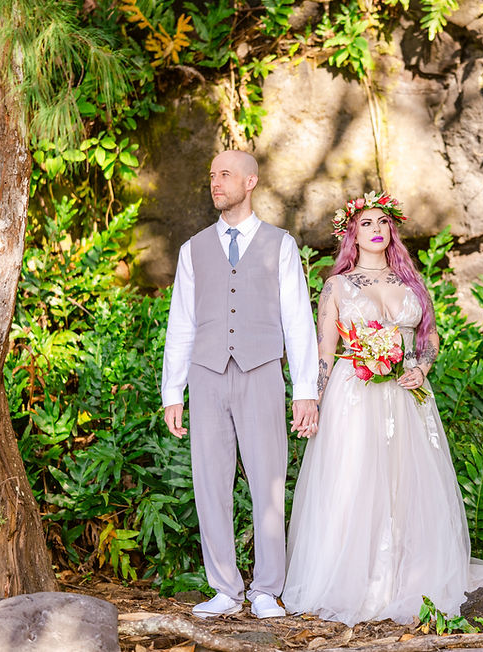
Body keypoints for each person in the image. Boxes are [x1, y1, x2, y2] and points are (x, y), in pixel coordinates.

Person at [281, 191, 483, 625]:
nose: (376, 229)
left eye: (382, 222)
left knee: (406, 485)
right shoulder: (337, 285)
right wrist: (312, 398)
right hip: (355, 395)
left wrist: (422, 369)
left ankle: (408, 579)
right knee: (354, 483)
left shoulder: (410, 281)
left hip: (406, 397)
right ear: (351, 232)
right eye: (366, 223)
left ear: (391, 231)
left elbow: (429, 338)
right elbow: (326, 351)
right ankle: (355, 581)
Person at [161, 150, 319, 619]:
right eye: (211, 175)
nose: (215, 182)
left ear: (250, 181)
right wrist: (174, 390)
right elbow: (181, 323)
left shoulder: (281, 245)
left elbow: (298, 319)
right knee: (210, 482)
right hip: (207, 376)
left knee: (269, 480)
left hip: (262, 373)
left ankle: (267, 588)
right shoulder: (194, 249)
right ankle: (225, 589)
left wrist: (304, 388)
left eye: (225, 174)